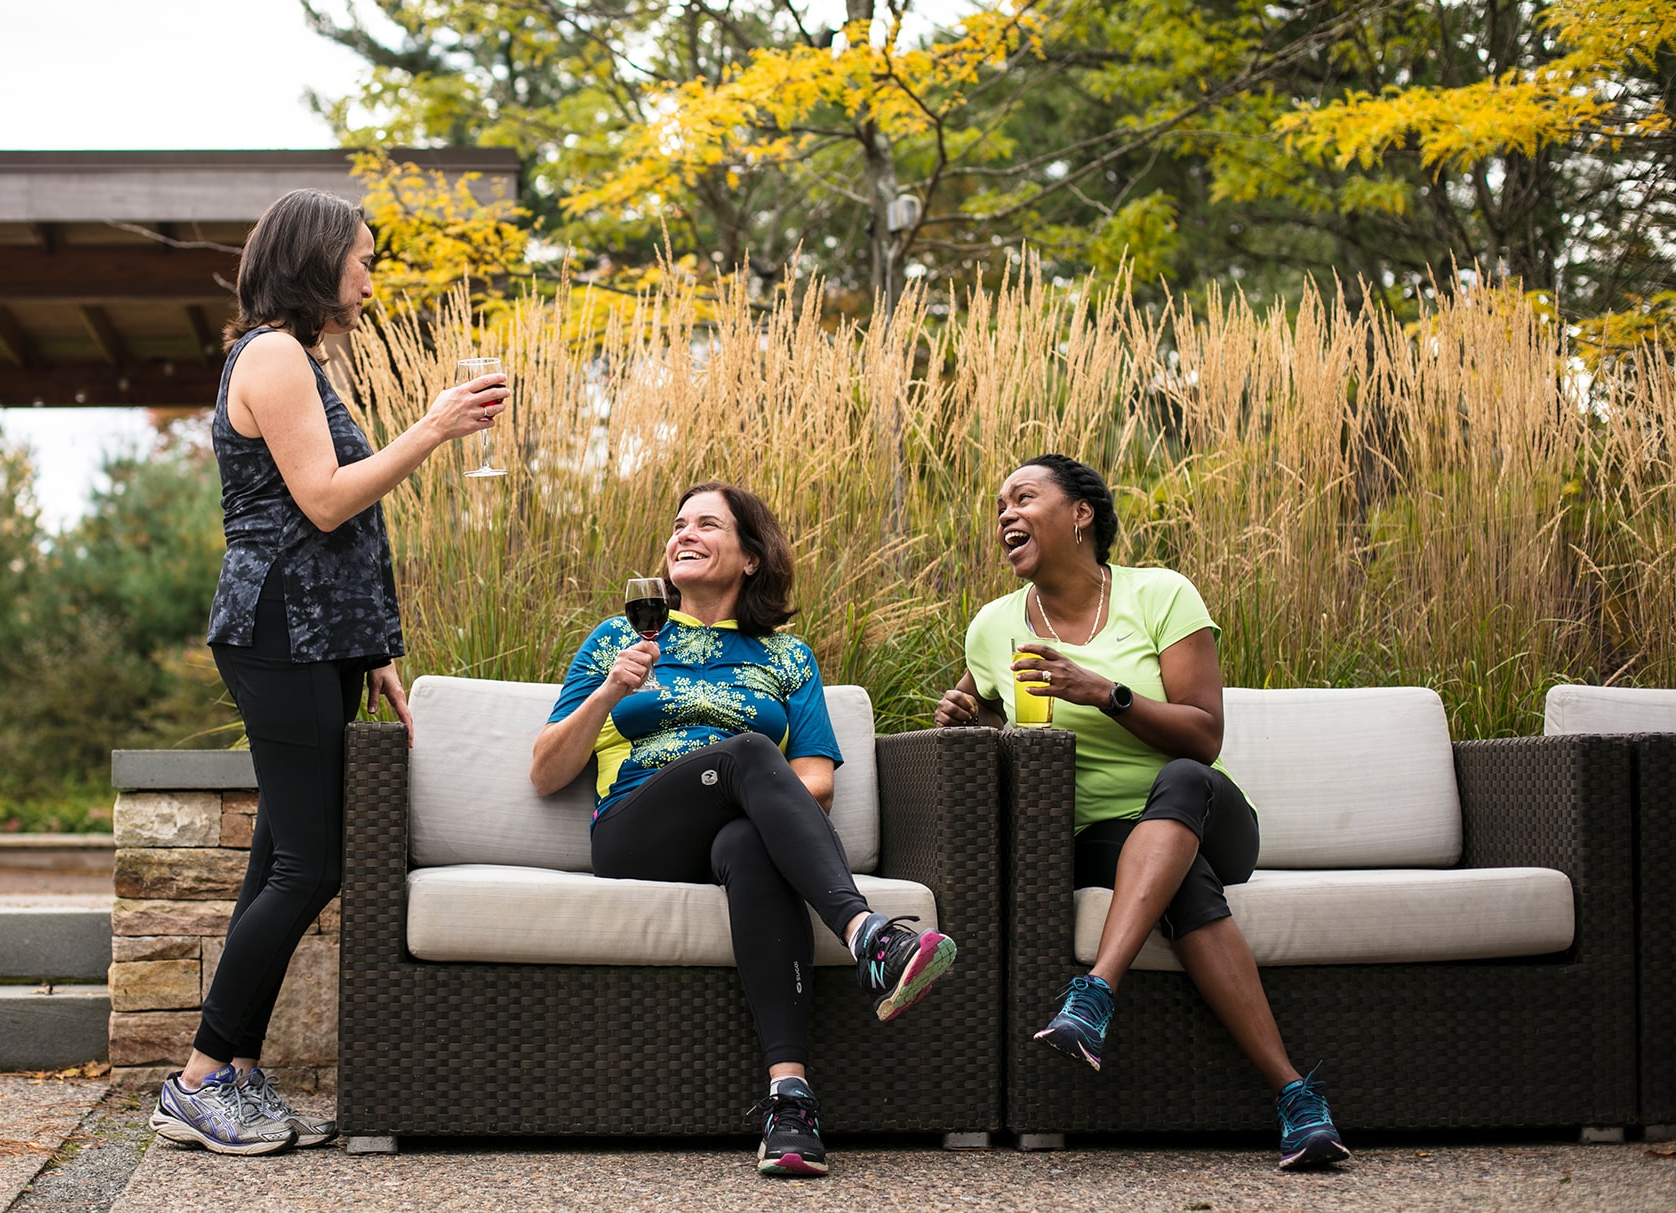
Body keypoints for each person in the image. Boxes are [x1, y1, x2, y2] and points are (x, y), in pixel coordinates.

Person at [150, 189, 507, 1156]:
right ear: (315, 260)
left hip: (317, 635)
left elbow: (344, 536)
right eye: (361, 256)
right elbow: (323, 501)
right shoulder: (271, 355)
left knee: (280, 856)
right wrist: (432, 428)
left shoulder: (298, 360)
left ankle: (233, 1072)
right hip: (278, 629)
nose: (370, 274)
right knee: (312, 863)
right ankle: (196, 1079)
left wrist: (375, 649)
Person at [529, 481, 958, 1180]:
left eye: (706, 524)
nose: (683, 535)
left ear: (752, 557)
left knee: (750, 841)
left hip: (737, 836)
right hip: (638, 834)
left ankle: (791, 1102)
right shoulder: (619, 638)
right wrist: (611, 689)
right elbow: (545, 771)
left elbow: (815, 783)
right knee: (752, 752)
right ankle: (867, 935)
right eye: (677, 525)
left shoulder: (786, 656)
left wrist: (755, 798)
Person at [934, 454, 1350, 1172]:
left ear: (1081, 513)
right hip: (1098, 838)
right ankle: (1296, 1099)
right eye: (999, 503)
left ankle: (1096, 989)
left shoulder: (1160, 594)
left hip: (1207, 814)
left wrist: (1105, 693)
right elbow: (1001, 731)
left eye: (1024, 497)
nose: (1004, 513)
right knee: (1179, 886)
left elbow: (1204, 731)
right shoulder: (993, 625)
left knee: (1183, 779)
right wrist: (966, 719)